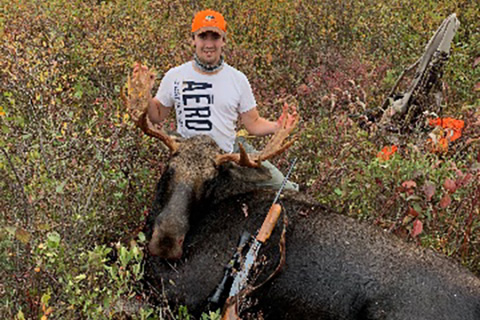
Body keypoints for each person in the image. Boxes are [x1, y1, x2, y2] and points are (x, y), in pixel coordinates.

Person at [134, 9, 299, 191]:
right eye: (203, 37)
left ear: (223, 41)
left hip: (227, 155)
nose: (209, 44)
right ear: (193, 40)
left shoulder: (237, 79)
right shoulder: (175, 75)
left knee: (286, 188)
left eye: (215, 37)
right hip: (189, 157)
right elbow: (157, 115)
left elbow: (253, 123)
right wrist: (146, 94)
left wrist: (277, 126)